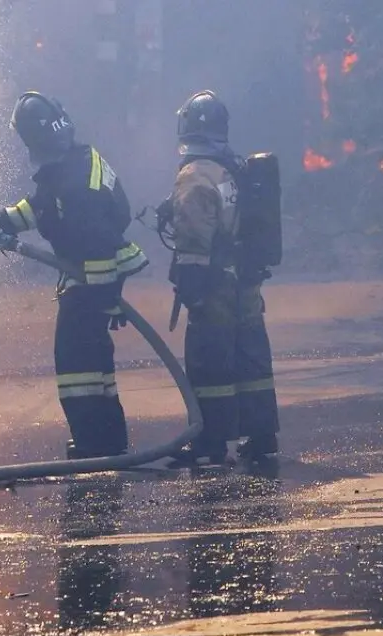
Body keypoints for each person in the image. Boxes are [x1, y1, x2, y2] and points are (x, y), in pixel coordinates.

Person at [0, 91, 148, 459]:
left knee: (76, 369)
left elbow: (100, 248)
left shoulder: (77, 187)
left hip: (89, 285)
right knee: (97, 370)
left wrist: (105, 298)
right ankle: (109, 442)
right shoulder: (72, 162)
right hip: (89, 282)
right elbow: (42, 205)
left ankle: (91, 444)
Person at [161, 90, 280, 467]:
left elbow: (196, 238)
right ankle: (261, 435)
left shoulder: (195, 175)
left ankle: (209, 440)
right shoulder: (233, 168)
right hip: (245, 279)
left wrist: (192, 287)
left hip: (215, 282)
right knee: (250, 356)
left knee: (208, 360)